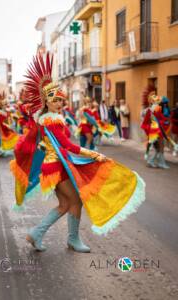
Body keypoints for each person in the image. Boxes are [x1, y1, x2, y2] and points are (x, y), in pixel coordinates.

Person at [10, 52, 145, 253]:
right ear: (46, 101)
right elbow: (68, 146)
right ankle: (64, 238)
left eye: (60, 99)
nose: (58, 102)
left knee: (66, 204)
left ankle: (40, 234)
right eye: (54, 99)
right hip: (56, 167)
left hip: (55, 166)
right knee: (74, 201)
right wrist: (94, 155)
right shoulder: (51, 120)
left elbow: (49, 143)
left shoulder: (50, 118)